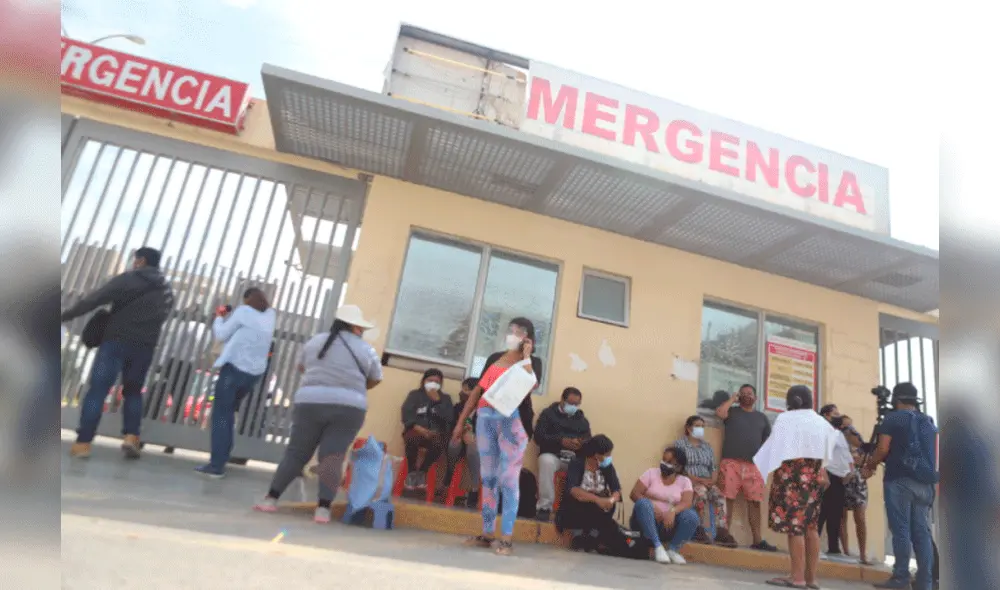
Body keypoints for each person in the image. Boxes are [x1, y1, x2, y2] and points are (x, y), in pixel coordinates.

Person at [253, 304, 382, 524]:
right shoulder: (365, 349)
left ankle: (271, 499)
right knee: (332, 456)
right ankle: (323, 510)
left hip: (310, 403)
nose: (361, 331)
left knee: (296, 452)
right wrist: (355, 386)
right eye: (360, 327)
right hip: (349, 408)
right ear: (354, 326)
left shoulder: (315, 342)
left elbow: (301, 367)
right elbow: (376, 377)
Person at [62, 246, 174, 460]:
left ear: (141, 261)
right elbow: (164, 315)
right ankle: (131, 437)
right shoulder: (167, 290)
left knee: (98, 391)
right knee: (133, 391)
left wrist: (66, 315)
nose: (134, 263)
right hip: (144, 346)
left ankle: (83, 443)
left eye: (135, 259)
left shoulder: (128, 279)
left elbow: (95, 299)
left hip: (116, 341)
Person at [451, 317, 539, 556]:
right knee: (488, 477)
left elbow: (529, 384)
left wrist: (526, 356)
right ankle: (487, 532)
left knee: (508, 479)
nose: (512, 334)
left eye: (518, 331)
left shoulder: (532, 361)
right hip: (485, 418)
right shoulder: (494, 358)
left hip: (513, 422)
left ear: (528, 337)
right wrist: (462, 422)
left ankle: (506, 538)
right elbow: (477, 391)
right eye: (511, 330)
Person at [754, 385, 853, 589]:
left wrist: (762, 465)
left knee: (795, 527)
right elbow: (828, 447)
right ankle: (811, 579)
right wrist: (821, 468)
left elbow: (775, 446)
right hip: (814, 476)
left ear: (793, 401)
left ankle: (797, 577)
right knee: (811, 526)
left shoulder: (786, 418)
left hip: (791, 476)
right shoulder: (821, 421)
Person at [861, 382, 939, 590]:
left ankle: (900, 577)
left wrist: (870, 466)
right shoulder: (928, 421)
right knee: (921, 533)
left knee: (901, 530)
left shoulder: (893, 419)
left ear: (896, 400)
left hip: (900, 480)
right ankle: (925, 582)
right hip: (925, 483)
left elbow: (882, 449)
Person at [195, 288, 276, 478]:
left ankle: (217, 465)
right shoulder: (271, 315)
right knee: (229, 412)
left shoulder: (243, 311)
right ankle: (224, 456)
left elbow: (222, 334)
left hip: (234, 369)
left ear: (247, 299)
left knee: (221, 415)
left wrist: (219, 317)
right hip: (253, 374)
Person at [715, 384, 777, 551]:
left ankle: (757, 540)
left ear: (755, 398)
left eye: (750, 393)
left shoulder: (762, 418)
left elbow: (767, 442)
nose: (747, 396)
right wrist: (732, 399)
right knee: (727, 499)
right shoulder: (732, 411)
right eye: (743, 393)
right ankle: (724, 535)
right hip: (731, 462)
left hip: (753, 466)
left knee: (755, 502)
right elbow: (720, 413)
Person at [629, 446, 701, 565]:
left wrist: (673, 511)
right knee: (643, 504)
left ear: (678, 467)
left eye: (669, 462)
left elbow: (687, 502)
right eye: (663, 460)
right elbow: (634, 494)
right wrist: (652, 506)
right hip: (646, 522)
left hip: (668, 525)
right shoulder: (651, 473)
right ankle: (658, 546)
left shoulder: (684, 481)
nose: (664, 464)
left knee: (691, 516)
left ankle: (673, 550)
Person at [673, 415, 736, 547]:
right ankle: (698, 529)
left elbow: (713, 467)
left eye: (702, 426)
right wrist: (698, 480)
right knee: (701, 493)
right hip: (689, 481)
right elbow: (679, 467)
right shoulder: (680, 445)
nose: (701, 429)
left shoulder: (707, 447)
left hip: (707, 482)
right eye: (697, 426)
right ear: (688, 428)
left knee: (720, 496)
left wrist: (712, 481)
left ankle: (721, 531)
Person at [533, 386, 592, 521]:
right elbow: (538, 437)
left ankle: (575, 512)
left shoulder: (582, 421)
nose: (573, 407)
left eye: (576, 404)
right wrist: (561, 441)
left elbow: (589, 442)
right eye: (571, 403)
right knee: (546, 461)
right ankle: (544, 507)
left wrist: (580, 444)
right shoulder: (548, 414)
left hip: (573, 458)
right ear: (562, 400)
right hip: (554, 455)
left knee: (588, 467)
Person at [555, 435, 622, 552]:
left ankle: (593, 537)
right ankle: (578, 536)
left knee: (609, 515)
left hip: (600, 510)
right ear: (596, 455)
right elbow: (573, 489)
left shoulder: (607, 467)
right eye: (607, 454)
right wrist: (596, 499)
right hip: (579, 507)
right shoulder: (577, 463)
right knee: (581, 502)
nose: (609, 457)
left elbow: (616, 490)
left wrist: (610, 500)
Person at [401, 368, 454, 491]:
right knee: (411, 438)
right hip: (416, 430)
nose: (433, 384)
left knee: (439, 444)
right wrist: (418, 428)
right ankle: (411, 472)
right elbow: (406, 413)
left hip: (436, 433)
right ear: (424, 381)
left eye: (437, 382)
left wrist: (437, 401)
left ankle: (422, 472)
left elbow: (449, 418)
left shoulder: (445, 398)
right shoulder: (415, 395)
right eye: (430, 380)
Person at [816, 404, 851, 560]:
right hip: (829, 476)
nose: (839, 416)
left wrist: (849, 471)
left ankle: (833, 548)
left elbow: (845, 454)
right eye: (835, 414)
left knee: (836, 514)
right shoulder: (824, 431)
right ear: (826, 416)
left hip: (840, 478)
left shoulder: (839, 433)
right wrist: (824, 472)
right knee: (822, 512)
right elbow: (822, 452)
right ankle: (813, 545)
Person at [836, 414, 872, 564]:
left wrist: (867, 468)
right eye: (846, 426)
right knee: (842, 517)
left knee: (860, 518)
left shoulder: (860, 445)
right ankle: (845, 551)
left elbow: (869, 463)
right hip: (843, 479)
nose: (851, 429)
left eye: (851, 426)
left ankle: (863, 554)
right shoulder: (837, 443)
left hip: (858, 483)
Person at [445, 377, 482, 508]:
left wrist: (474, 435)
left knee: (473, 447)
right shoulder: (458, 408)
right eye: (463, 389)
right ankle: (450, 473)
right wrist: (460, 433)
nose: (463, 392)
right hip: (459, 441)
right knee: (454, 443)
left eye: (467, 389)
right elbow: (449, 426)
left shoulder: (484, 411)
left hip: (477, 443)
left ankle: (475, 488)